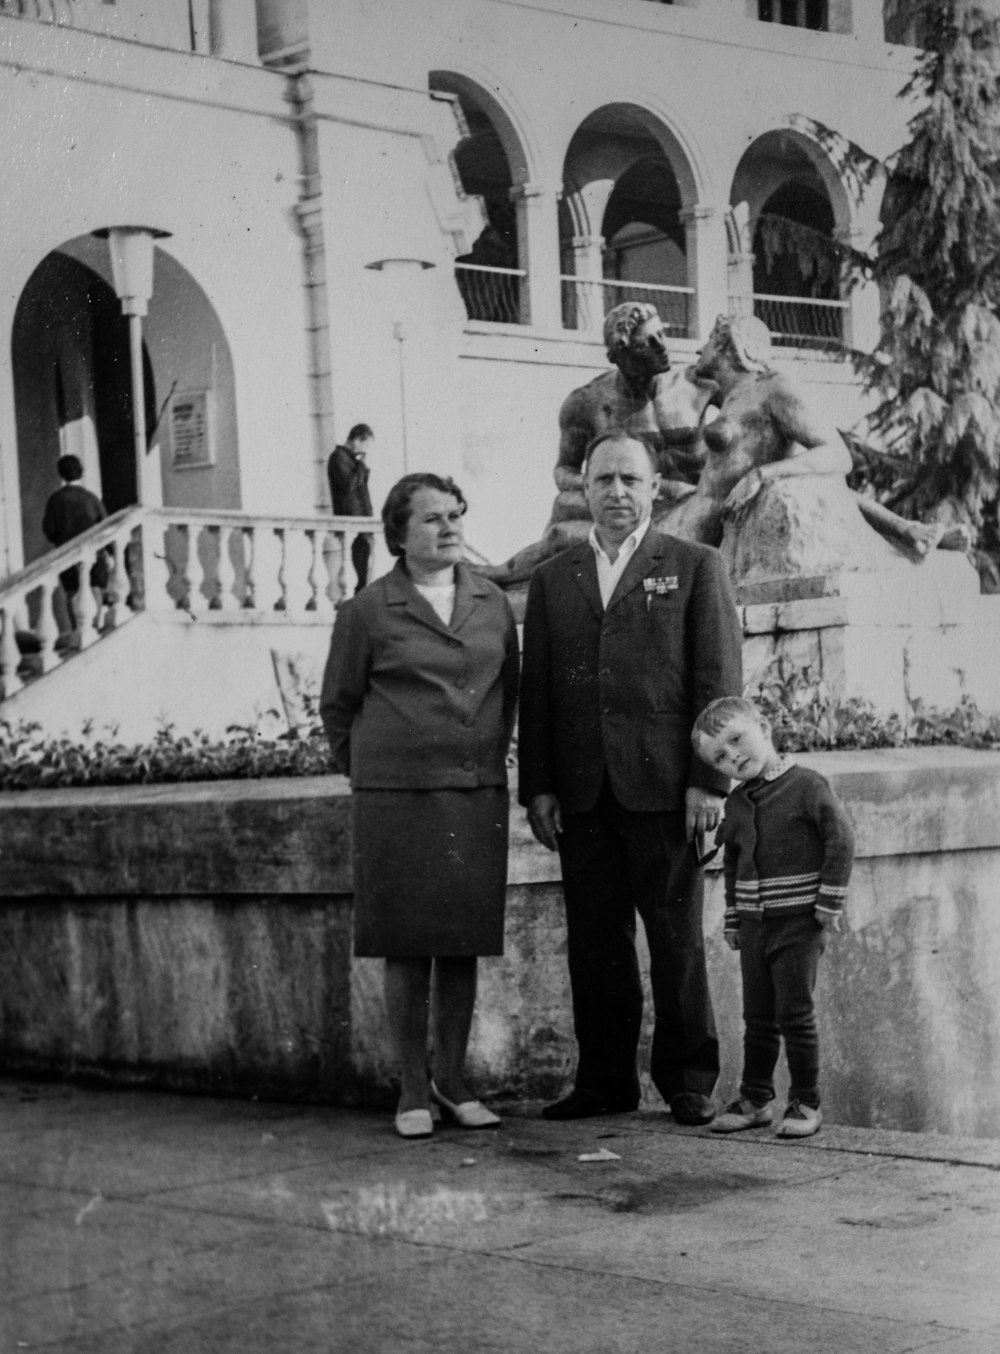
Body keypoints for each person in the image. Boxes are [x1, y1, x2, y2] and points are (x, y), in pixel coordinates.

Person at [518, 431, 743, 1123]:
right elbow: (540, 692)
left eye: (630, 480)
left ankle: (687, 1081)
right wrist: (540, 786)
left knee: (675, 941)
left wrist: (709, 781)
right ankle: (605, 1081)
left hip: (667, 790)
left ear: (654, 490)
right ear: (585, 489)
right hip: (584, 794)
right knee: (596, 943)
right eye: (604, 480)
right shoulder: (555, 580)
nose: (617, 492)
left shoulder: (694, 565)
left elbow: (717, 679)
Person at [320, 472, 520, 1139]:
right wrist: (382, 772)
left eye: (455, 514)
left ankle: (454, 1080)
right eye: (432, 518)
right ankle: (412, 1086)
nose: (449, 526)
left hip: (472, 795)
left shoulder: (492, 603)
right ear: (399, 535)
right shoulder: (368, 611)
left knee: (461, 942)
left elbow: (508, 693)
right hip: (396, 802)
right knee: (405, 945)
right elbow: (338, 708)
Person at [691, 696, 855, 1138]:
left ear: (763, 726)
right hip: (755, 926)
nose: (733, 757)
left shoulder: (808, 786)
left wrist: (829, 902)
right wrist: (732, 918)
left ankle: (805, 1101)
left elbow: (841, 841)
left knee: (795, 1014)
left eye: (737, 740)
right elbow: (733, 864)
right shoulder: (738, 803)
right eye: (719, 757)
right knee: (757, 1017)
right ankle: (756, 1099)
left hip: (799, 923)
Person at [480, 302, 715, 585]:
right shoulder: (587, 402)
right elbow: (564, 470)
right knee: (565, 508)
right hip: (634, 503)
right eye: (647, 343)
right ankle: (509, 576)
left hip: (694, 502)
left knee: (569, 527)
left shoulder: (697, 383)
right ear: (620, 355)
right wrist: (596, 485)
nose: (661, 347)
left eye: (661, 335)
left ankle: (507, 574)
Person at [680, 314, 951, 556]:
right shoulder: (730, 395)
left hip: (705, 531)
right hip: (694, 517)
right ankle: (908, 529)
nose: (699, 349)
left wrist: (760, 475)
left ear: (726, 345)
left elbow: (838, 455)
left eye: (708, 340)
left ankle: (909, 531)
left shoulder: (771, 388)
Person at [41, 454, 110, 631]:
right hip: (94, 555)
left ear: (61, 474)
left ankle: (77, 631)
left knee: (72, 592)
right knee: (94, 589)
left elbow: (49, 530)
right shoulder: (92, 498)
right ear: (81, 472)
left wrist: (62, 538)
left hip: (68, 556)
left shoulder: (55, 500)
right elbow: (105, 526)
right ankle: (95, 627)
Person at [327, 424, 375, 593]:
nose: (366, 450)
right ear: (356, 439)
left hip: (361, 520)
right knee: (357, 563)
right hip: (351, 519)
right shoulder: (338, 457)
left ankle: (361, 593)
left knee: (364, 563)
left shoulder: (351, 460)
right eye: (365, 444)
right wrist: (361, 465)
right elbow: (348, 484)